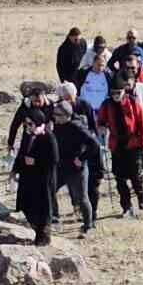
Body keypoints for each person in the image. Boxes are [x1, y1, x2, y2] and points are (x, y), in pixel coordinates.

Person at [98, 79, 143, 218]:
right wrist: (102, 127)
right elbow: (101, 120)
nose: (116, 95)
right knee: (119, 178)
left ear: (124, 91)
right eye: (113, 93)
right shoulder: (107, 104)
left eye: (118, 92)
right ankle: (126, 206)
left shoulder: (133, 103)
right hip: (117, 145)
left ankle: (141, 197)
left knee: (135, 176)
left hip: (133, 144)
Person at [10, 105, 58, 246]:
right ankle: (36, 230)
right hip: (28, 177)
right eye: (26, 124)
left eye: (30, 123)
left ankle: (43, 236)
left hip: (43, 179)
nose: (27, 126)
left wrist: (36, 161)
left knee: (42, 208)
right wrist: (14, 170)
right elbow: (21, 154)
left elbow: (54, 159)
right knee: (26, 205)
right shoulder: (27, 135)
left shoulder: (48, 137)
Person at [52, 100, 99, 237]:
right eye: (54, 113)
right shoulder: (57, 125)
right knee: (49, 190)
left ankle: (88, 225)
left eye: (57, 114)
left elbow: (94, 145)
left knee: (81, 198)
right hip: (61, 167)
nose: (54, 116)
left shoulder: (77, 127)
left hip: (76, 169)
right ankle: (54, 218)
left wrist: (81, 158)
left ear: (66, 115)